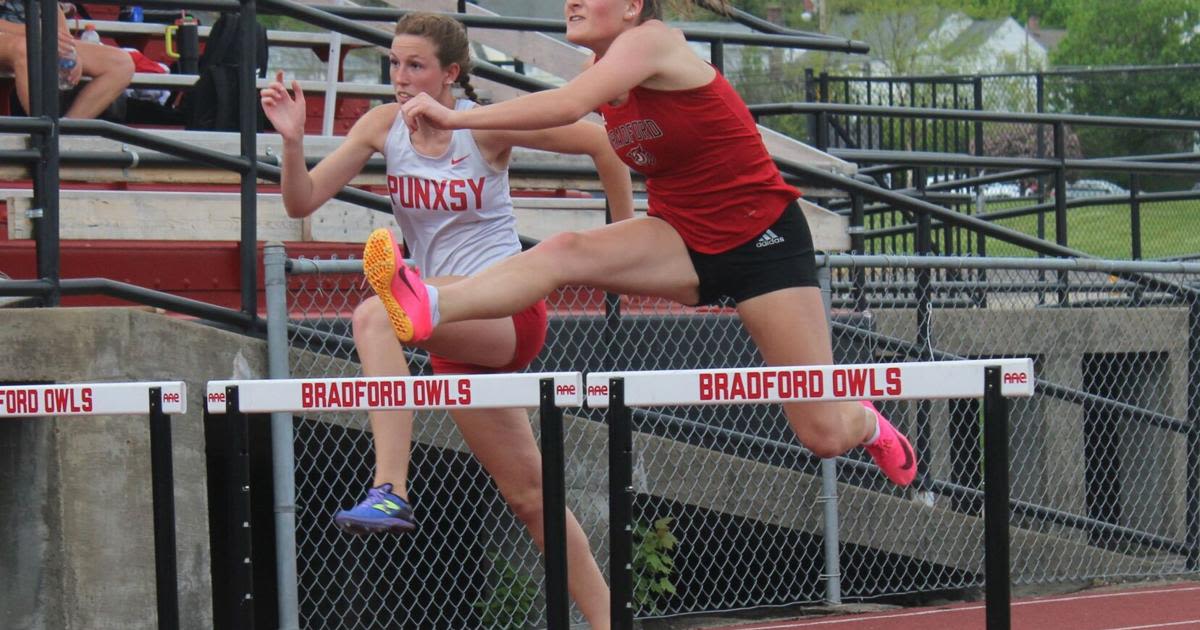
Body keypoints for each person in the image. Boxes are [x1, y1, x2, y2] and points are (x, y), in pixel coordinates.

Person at [367, 0, 919, 488]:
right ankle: (429, 303)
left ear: (633, 7)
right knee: (566, 250)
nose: (572, 2)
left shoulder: (651, 42)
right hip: (679, 235)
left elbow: (563, 108)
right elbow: (600, 143)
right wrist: (621, 242)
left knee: (821, 434)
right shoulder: (600, 69)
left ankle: (867, 421)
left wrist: (454, 117)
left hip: (762, 242)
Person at [260, 12, 631, 628]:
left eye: (415, 66)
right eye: (393, 65)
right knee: (530, 498)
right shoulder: (383, 127)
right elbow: (301, 202)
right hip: (447, 331)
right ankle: (611, 622)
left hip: (507, 309)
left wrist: (620, 247)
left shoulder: (481, 129)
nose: (400, 78)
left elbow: (600, 141)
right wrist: (294, 142)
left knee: (374, 318)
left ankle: (390, 489)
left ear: (450, 73)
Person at [0, 2, 134, 118]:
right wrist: (34, 32)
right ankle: (44, 128)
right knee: (25, 48)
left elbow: (53, 11)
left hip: (38, 35)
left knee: (121, 63)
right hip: (20, 37)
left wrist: (71, 51)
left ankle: (64, 131)